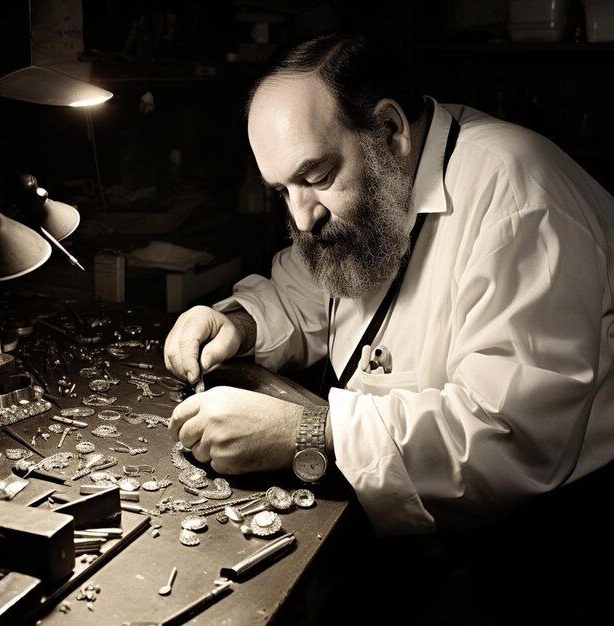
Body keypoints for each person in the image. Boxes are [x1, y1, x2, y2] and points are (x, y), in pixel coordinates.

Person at [165, 33, 614, 624]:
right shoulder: (379, 187)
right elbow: (305, 292)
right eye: (283, 191)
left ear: (390, 129)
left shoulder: (520, 194)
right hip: (411, 518)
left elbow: (506, 434)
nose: (301, 215)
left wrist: (309, 433)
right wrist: (236, 323)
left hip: (535, 549)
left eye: (316, 176)